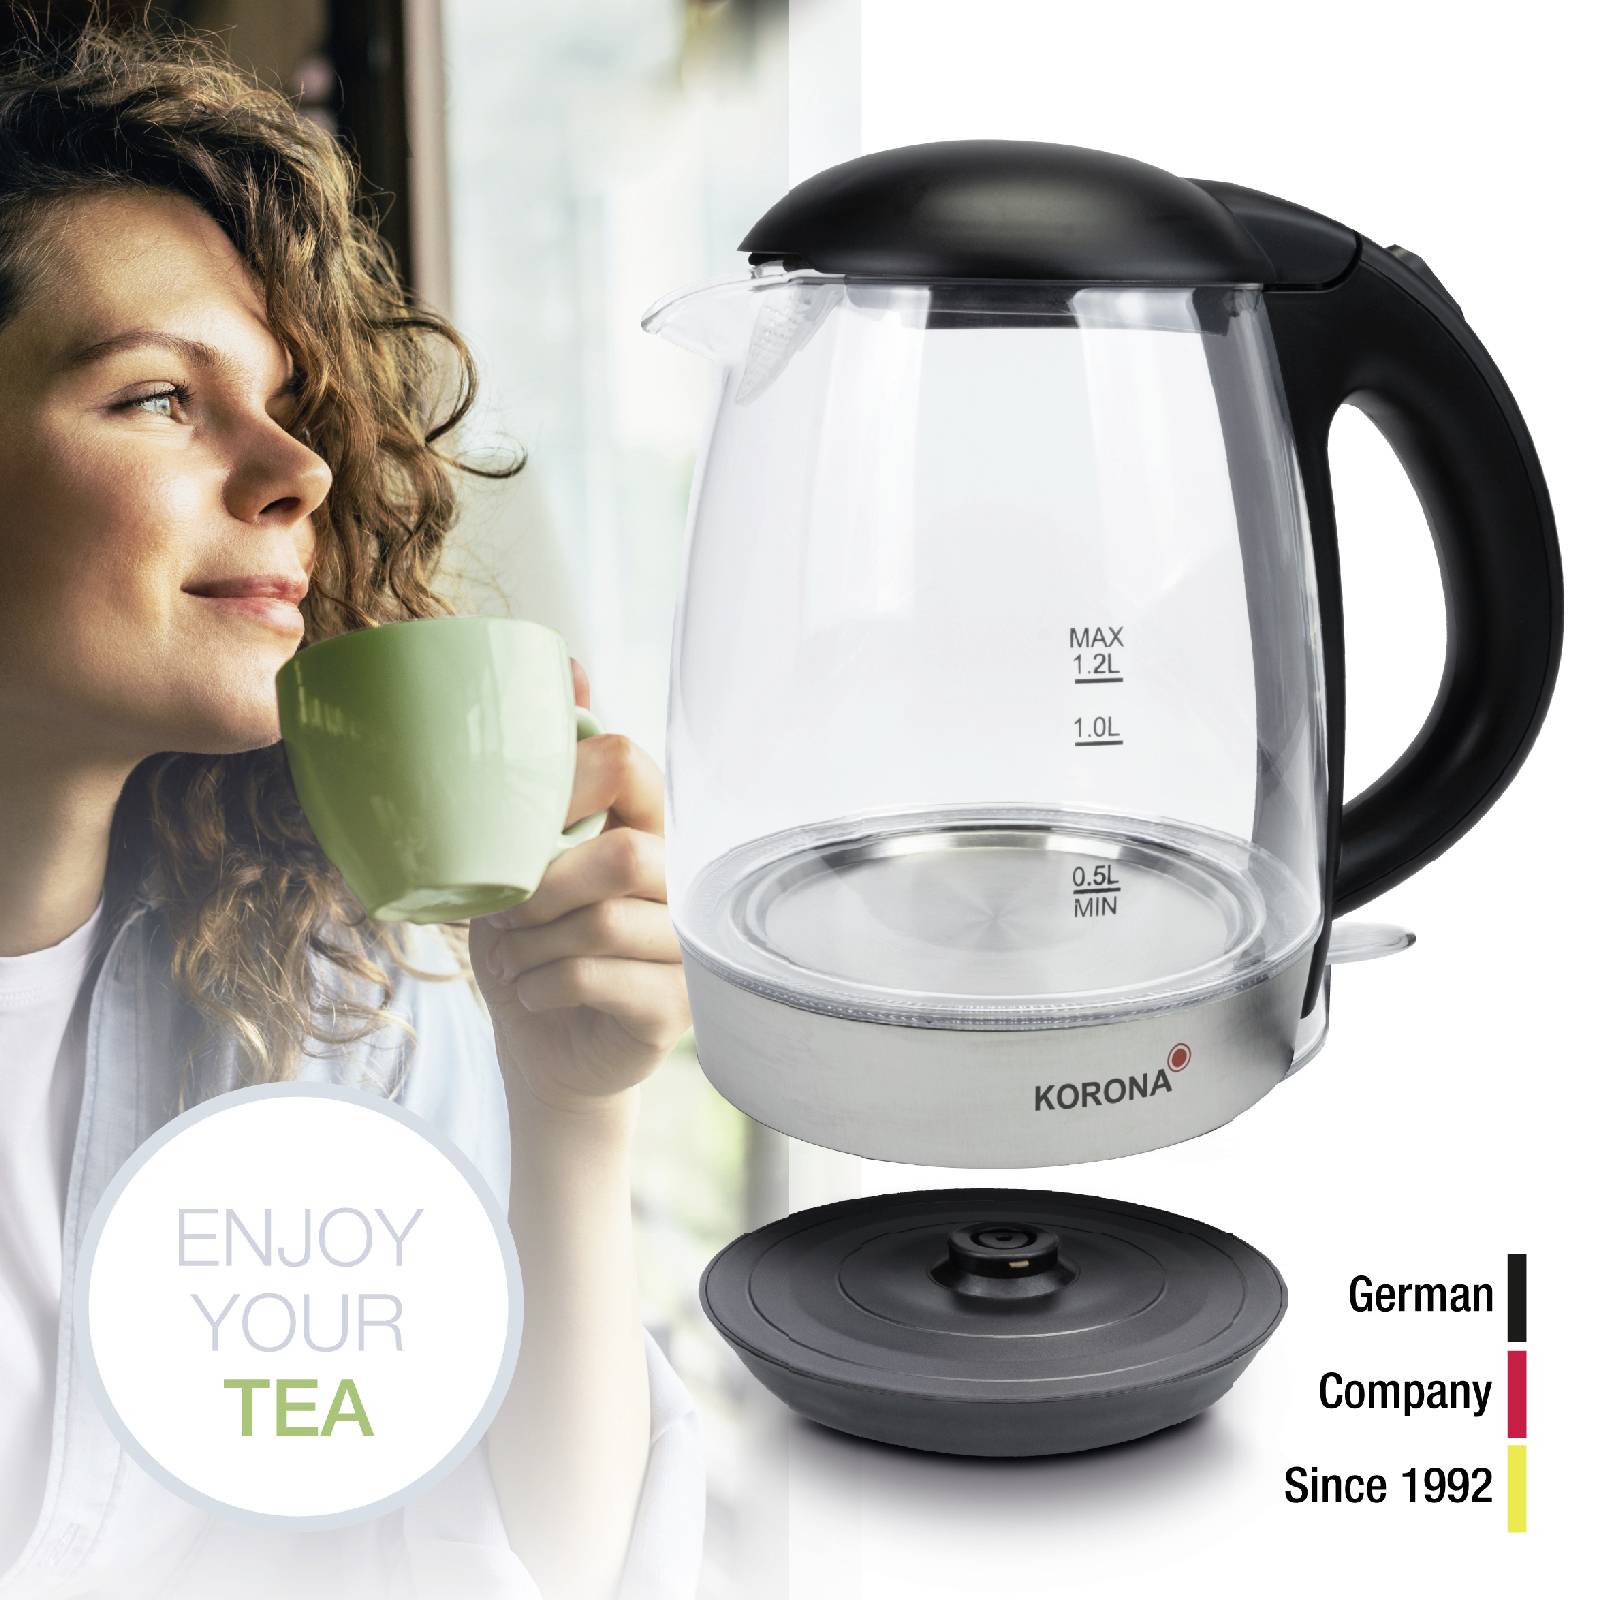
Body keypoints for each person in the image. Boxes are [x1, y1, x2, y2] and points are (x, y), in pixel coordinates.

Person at [0, 18, 699, 1600]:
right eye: (158, 399)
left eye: (290, 403)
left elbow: (525, 1563)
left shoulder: (324, 993)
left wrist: (572, 1110)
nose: (295, 471)